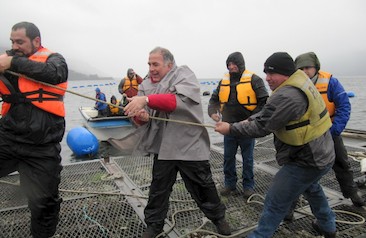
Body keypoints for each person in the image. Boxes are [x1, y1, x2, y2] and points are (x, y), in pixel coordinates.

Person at [215, 52, 336, 238]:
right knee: (312, 188)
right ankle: (328, 227)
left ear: (286, 74)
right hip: (322, 152)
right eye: (266, 73)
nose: (267, 78)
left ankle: (259, 235)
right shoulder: (298, 81)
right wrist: (249, 119)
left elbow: (263, 126)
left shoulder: (289, 96)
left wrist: (230, 129)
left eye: (272, 74)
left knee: (274, 200)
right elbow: (266, 114)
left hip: (307, 158)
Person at [124, 47, 231, 238]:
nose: (151, 68)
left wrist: (146, 100)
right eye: (149, 64)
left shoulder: (184, 75)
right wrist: (141, 116)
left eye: (155, 64)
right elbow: (140, 119)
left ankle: (219, 219)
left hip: (188, 143)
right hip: (163, 146)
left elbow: (176, 103)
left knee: (203, 185)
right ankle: (154, 226)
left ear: (169, 65)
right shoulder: (145, 84)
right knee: (158, 188)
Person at [0, 22, 68, 238]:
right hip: (8, 139)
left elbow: (55, 73)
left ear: (36, 41)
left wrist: (14, 61)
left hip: (42, 147)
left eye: (20, 41)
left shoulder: (54, 59)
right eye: (12, 41)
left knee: (44, 204)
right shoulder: (5, 61)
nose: (15, 46)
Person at [292, 52, 365, 207]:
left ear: (316, 67)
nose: (305, 71)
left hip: (330, 132)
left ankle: (352, 194)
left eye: (308, 67)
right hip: (306, 136)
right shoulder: (293, 85)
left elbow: (344, 106)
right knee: (300, 170)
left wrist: (335, 130)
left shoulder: (331, 82)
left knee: (342, 164)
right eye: (301, 68)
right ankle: (291, 206)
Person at [208, 52, 268, 198]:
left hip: (247, 128)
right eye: (229, 64)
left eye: (234, 64)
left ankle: (248, 186)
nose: (231, 67)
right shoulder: (224, 81)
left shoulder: (255, 79)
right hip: (228, 127)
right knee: (228, 157)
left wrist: (251, 119)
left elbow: (265, 103)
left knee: (248, 159)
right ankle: (230, 184)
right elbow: (214, 100)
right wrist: (212, 112)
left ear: (241, 64)